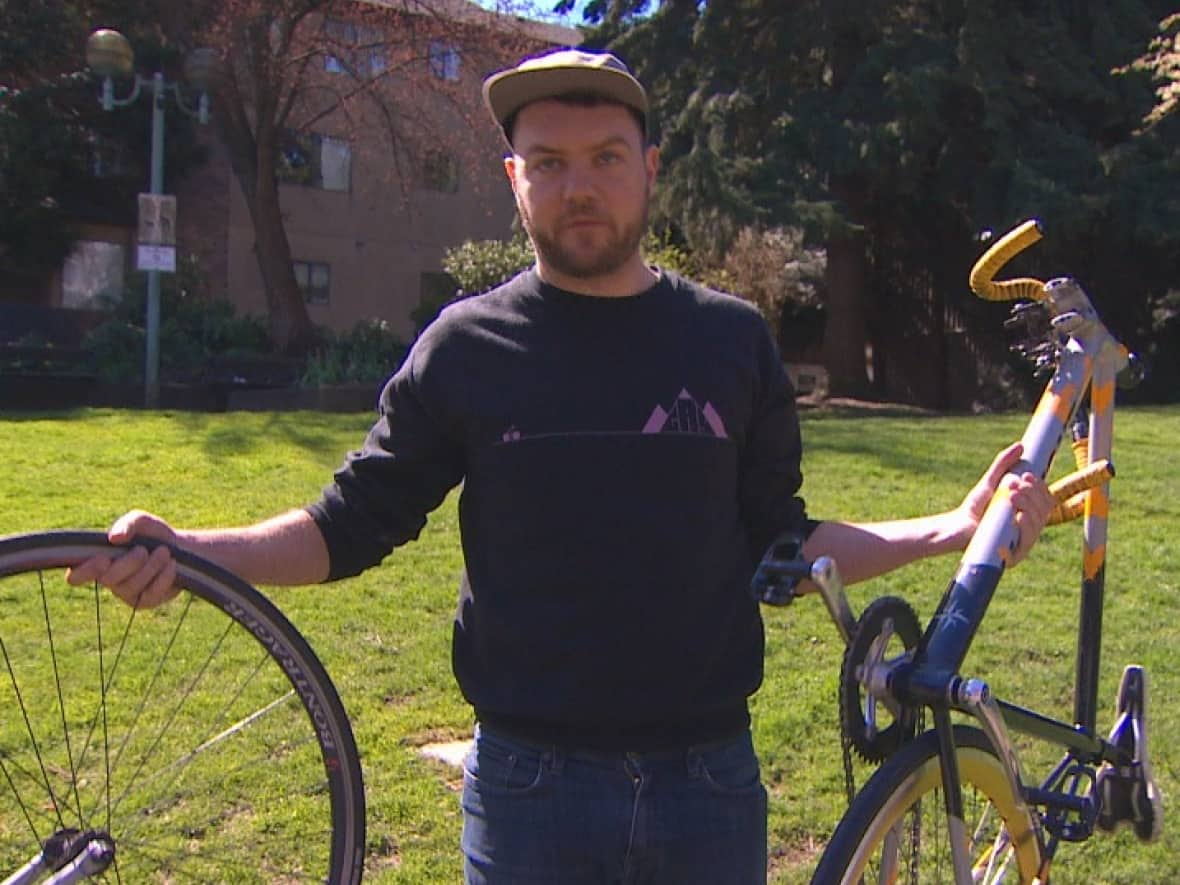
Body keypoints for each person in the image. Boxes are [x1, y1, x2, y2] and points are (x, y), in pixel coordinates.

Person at [68, 48, 1054, 885]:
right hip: (528, 790)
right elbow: (348, 525)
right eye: (547, 162)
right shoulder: (464, 347)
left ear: (648, 169)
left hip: (709, 784)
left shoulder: (731, 343)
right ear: (513, 180)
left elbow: (782, 547)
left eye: (604, 158)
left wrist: (954, 528)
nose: (577, 185)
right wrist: (193, 554)